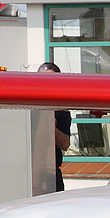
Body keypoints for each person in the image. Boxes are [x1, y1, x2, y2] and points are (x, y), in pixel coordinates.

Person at [37, 62, 72, 191]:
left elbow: (65, 144)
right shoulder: (27, 105)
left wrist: (49, 124)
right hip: (29, 170)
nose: (46, 83)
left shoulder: (61, 109)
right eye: (42, 79)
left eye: (51, 79)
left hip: (51, 172)